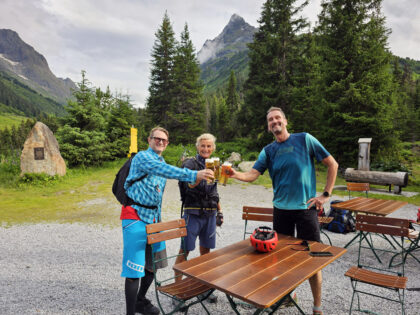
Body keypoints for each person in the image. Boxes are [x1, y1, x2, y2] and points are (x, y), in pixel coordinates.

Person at [230, 107, 338, 315]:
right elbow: (253, 174)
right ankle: (289, 295)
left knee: (312, 258)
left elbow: (332, 164)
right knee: (281, 259)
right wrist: (234, 174)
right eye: (270, 120)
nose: (274, 122)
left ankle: (317, 307)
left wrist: (325, 194)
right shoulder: (268, 151)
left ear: (285, 121)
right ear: (268, 126)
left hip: (305, 210)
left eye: (277, 118)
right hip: (281, 211)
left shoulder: (304, 139)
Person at [120, 127, 214, 315]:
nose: (160, 142)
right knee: (133, 270)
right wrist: (194, 174)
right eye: (157, 139)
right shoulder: (143, 158)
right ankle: (130, 312)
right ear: (149, 140)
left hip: (154, 219)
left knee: (155, 264)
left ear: (167, 143)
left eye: (164, 140)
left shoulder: (161, 159)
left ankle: (140, 301)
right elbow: (165, 171)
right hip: (135, 216)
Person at [174, 133, 223, 303]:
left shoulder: (215, 164)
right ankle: (177, 290)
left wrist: (220, 212)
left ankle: (202, 287)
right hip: (192, 212)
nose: (206, 149)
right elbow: (186, 185)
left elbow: (215, 191)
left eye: (209, 146)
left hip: (210, 213)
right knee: (185, 249)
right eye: (203, 146)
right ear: (197, 146)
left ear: (213, 148)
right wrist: (197, 176)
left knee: (206, 252)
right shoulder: (189, 163)